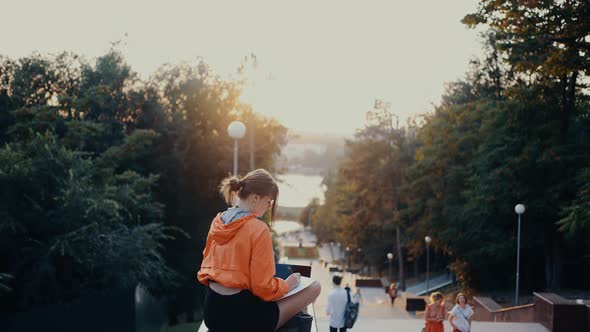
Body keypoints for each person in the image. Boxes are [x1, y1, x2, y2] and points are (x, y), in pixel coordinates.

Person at [197, 169, 321, 332]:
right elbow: (263, 289)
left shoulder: (217, 222)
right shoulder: (258, 229)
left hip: (212, 313)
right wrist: (287, 284)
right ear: (255, 198)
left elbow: (209, 269)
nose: (269, 207)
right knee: (315, 287)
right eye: (268, 202)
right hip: (244, 320)